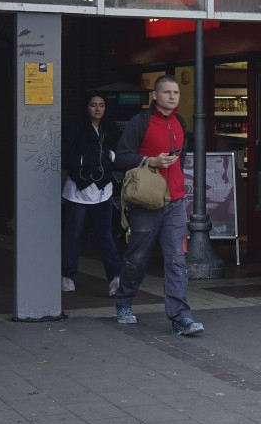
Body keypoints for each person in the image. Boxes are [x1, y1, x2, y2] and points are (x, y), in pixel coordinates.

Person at [113, 75, 203, 336]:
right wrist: (150, 161)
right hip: (147, 200)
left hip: (175, 201)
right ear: (155, 95)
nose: (172, 96)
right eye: (167, 92)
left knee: (176, 260)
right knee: (138, 256)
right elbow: (120, 158)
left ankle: (180, 318)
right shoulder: (140, 122)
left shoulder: (179, 122)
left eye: (176, 92)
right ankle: (124, 303)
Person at [61, 92, 123, 295]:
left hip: (103, 189)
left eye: (101, 105)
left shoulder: (111, 129)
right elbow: (64, 156)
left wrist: (110, 156)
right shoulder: (75, 128)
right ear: (86, 107)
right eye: (93, 105)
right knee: (73, 234)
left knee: (105, 235)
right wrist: (83, 160)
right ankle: (67, 275)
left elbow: (120, 153)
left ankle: (114, 278)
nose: (98, 109)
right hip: (78, 190)